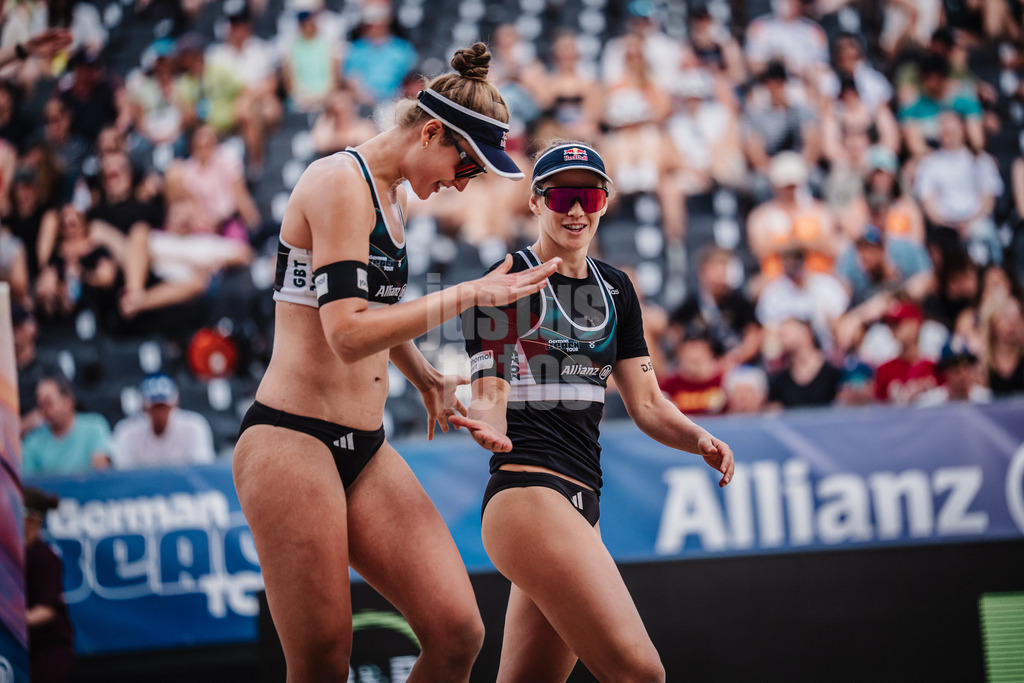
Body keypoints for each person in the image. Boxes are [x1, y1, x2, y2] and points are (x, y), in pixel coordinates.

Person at [231, 44, 560, 682]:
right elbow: (348, 334)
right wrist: (470, 294)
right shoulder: (337, 182)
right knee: (323, 661)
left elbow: (371, 306)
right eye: (465, 165)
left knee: (457, 631)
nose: (463, 184)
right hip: (291, 437)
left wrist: (427, 377)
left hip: (365, 444)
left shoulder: (391, 194)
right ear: (431, 131)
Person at [455, 140, 734, 680]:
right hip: (528, 491)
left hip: (582, 502)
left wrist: (698, 437)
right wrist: (485, 426)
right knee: (641, 674)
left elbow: (648, 404)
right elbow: (489, 390)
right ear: (536, 203)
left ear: (606, 201)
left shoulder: (617, 288)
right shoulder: (509, 275)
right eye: (562, 197)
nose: (577, 210)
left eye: (589, 195)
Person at [23, 487, 75, 683]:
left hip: (48, 651)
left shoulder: (44, 557)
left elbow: (46, 610)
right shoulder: (11, 558)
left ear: (33, 520)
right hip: (25, 649)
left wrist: (14, 622)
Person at [110, 374, 216, 469]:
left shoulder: (194, 426)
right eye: (155, 407)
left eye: (164, 407)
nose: (160, 413)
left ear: (175, 405)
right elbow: (123, 475)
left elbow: (202, 470)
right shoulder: (126, 431)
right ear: (144, 408)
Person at [23, 374, 112, 476]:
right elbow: (29, 485)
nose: (44, 411)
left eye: (48, 403)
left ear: (68, 402)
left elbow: (101, 473)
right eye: (40, 405)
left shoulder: (95, 427)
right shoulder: (33, 441)